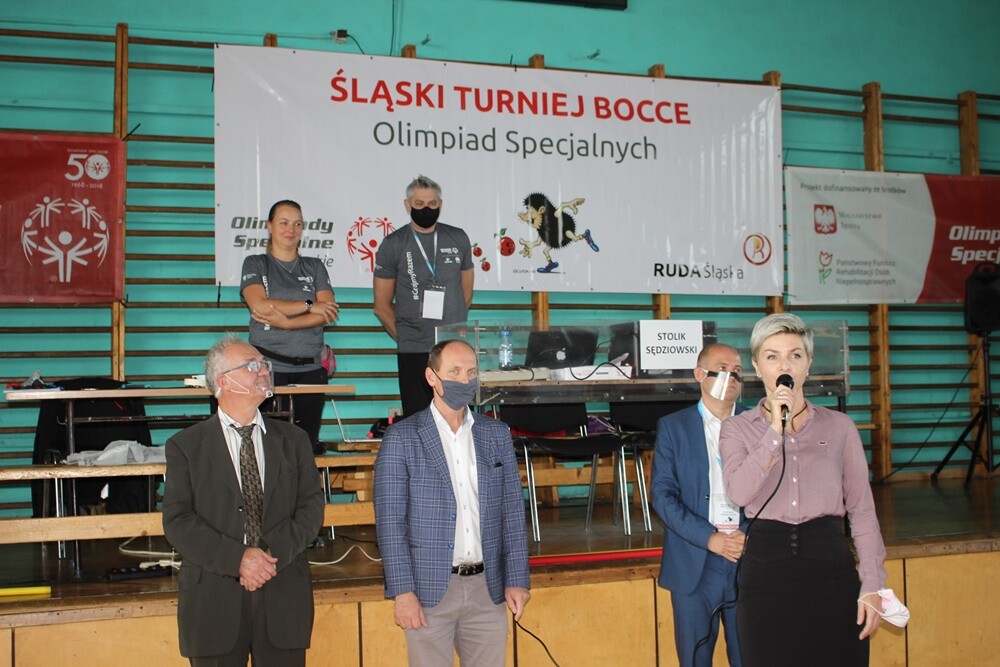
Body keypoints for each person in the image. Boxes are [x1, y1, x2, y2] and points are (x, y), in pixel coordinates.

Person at [720, 313, 887, 667]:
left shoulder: (840, 427)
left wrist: (873, 584)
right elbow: (739, 493)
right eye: (772, 356)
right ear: (757, 366)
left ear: (808, 364)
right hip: (765, 578)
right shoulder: (736, 429)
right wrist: (774, 433)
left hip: (832, 574)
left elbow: (862, 511)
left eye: (795, 355)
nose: (785, 366)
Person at [162, 336, 325, 666]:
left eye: (264, 364)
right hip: (213, 601)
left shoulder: (294, 440)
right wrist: (238, 559)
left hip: (283, 595)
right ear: (223, 381)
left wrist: (267, 556)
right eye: (252, 366)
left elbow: (311, 508)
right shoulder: (186, 446)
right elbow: (178, 522)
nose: (264, 370)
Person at [373, 339, 530, 666]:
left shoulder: (496, 434)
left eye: (471, 372)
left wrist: (517, 579)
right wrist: (403, 592)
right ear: (432, 377)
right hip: (428, 591)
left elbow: (513, 513)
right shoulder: (402, 437)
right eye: (455, 371)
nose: (464, 380)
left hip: (487, 589)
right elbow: (390, 523)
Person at [651, 343, 748, 667]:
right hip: (695, 560)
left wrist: (748, 534)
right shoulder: (673, 427)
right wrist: (710, 538)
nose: (732, 377)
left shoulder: (758, 424)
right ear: (699, 374)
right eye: (723, 369)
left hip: (748, 558)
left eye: (738, 371)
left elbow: (774, 490)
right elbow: (663, 495)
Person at [241, 199, 339, 454]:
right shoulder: (255, 263)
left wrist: (285, 322)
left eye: (297, 224)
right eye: (283, 222)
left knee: (305, 447)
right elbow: (259, 306)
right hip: (268, 369)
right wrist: (309, 304)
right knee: (269, 449)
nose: (291, 229)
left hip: (311, 370)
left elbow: (328, 311)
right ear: (270, 226)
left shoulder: (314, 266)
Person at [373, 176, 474, 418]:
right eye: (419, 204)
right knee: (418, 421)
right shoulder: (393, 243)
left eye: (432, 204)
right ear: (407, 205)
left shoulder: (458, 238)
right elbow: (381, 306)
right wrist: (409, 338)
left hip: (453, 349)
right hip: (414, 352)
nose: (426, 209)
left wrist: (451, 329)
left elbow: (466, 294)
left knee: (457, 419)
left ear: (440, 204)